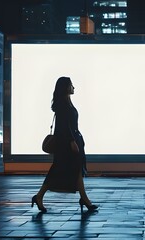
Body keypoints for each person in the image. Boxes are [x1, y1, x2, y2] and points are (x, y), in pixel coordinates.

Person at [32, 76, 98, 213]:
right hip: (67, 144)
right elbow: (64, 125)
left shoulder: (67, 102)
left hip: (71, 141)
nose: (74, 87)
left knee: (75, 169)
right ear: (65, 87)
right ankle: (39, 196)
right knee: (61, 169)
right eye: (71, 85)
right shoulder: (62, 105)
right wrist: (72, 141)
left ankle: (84, 198)